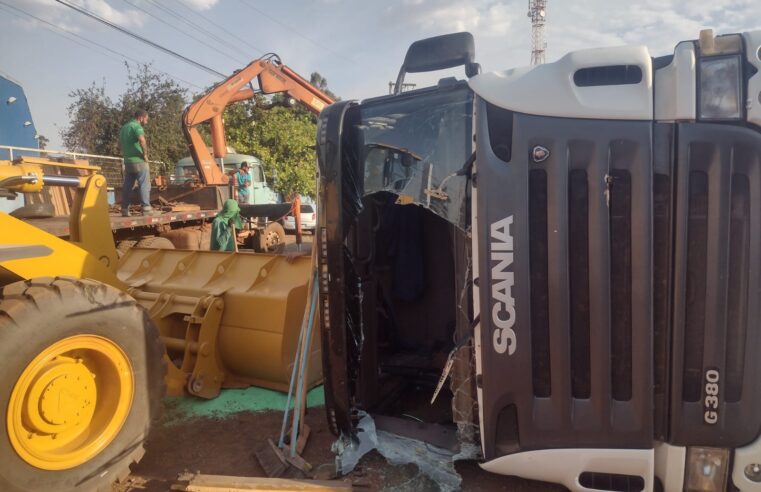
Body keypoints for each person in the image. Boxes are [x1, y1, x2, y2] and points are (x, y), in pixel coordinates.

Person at [119, 109, 156, 216]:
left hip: (128, 161)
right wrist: (145, 154)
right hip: (139, 161)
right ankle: (146, 208)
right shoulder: (137, 126)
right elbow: (142, 140)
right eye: (146, 119)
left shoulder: (124, 127)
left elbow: (121, 144)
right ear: (141, 117)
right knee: (144, 183)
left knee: (127, 185)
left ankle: (124, 209)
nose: (147, 122)